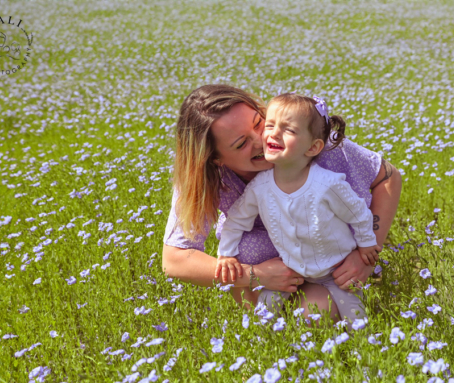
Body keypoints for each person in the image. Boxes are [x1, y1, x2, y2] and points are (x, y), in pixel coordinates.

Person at [161, 84, 402, 322]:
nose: (264, 139)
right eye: (241, 144)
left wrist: (366, 255)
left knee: (318, 313)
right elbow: (174, 259)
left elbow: (388, 177)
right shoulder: (205, 177)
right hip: (271, 272)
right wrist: (254, 275)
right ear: (215, 158)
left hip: (332, 261)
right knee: (304, 306)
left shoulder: (309, 142)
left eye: (258, 123)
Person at [216, 93, 380, 322]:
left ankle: (362, 350)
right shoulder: (260, 187)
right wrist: (226, 254)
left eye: (289, 130)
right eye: (270, 125)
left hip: (337, 270)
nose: (273, 133)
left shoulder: (328, 184)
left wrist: (366, 245)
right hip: (292, 270)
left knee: (357, 319)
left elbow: (359, 214)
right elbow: (236, 221)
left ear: (313, 147)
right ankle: (260, 348)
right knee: (262, 316)